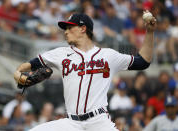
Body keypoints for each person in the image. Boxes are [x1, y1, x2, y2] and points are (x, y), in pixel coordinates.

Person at [14, 11, 156, 131]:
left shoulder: (108, 55)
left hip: (99, 122)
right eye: (65, 29)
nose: (66, 32)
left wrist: (149, 32)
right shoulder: (60, 53)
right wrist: (18, 74)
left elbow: (143, 61)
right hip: (71, 123)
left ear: (83, 29)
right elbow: (27, 65)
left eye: (70, 28)